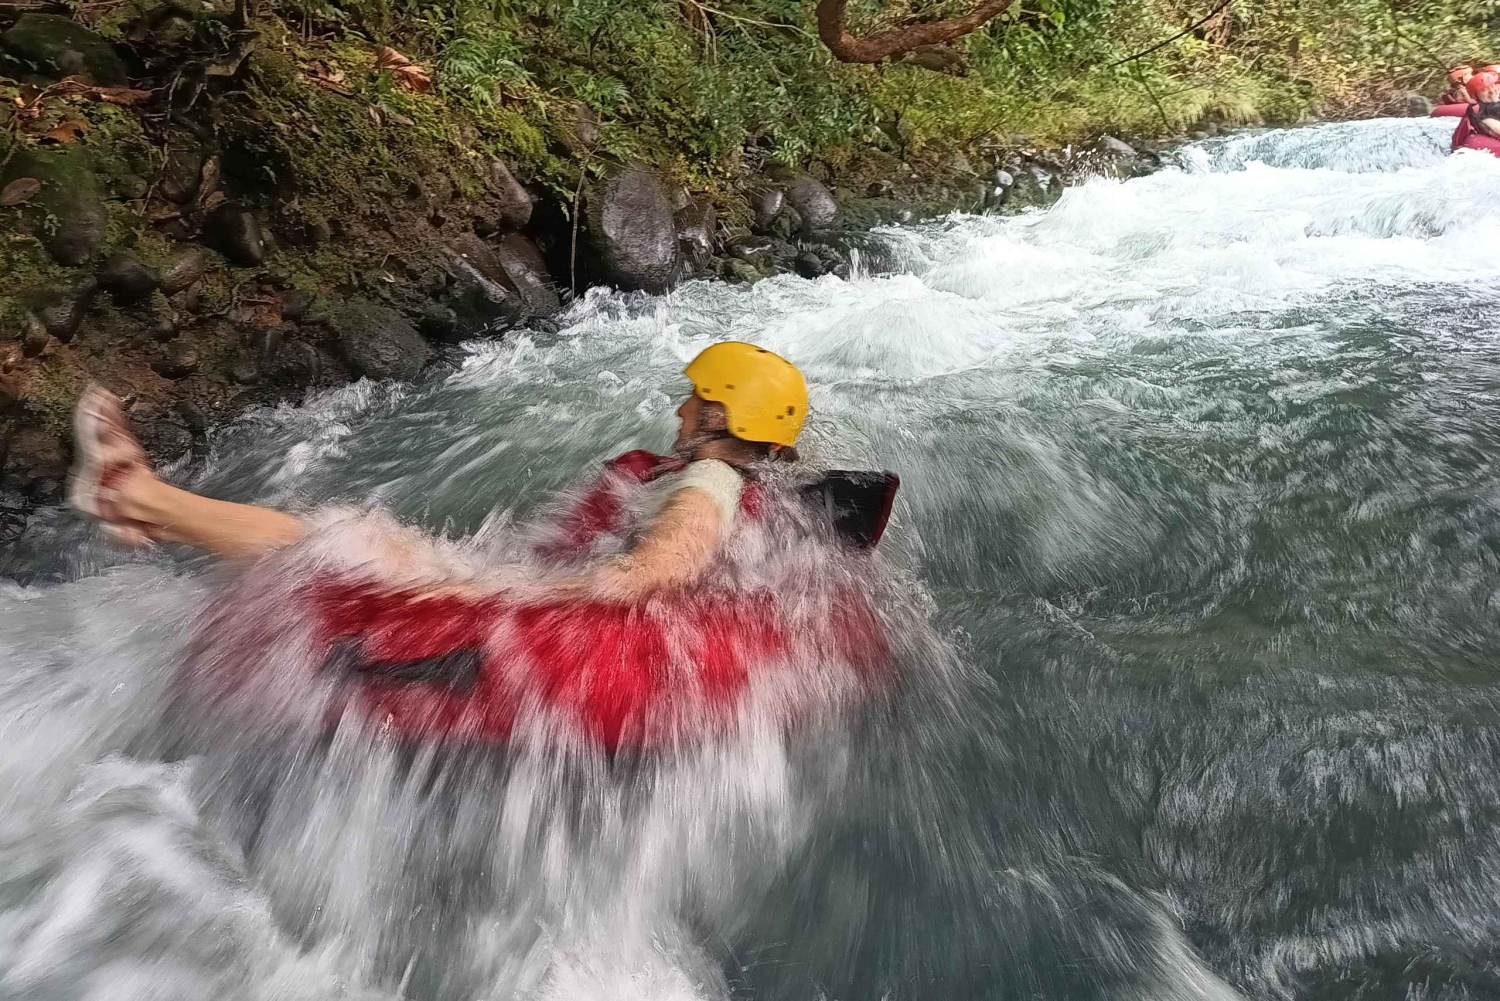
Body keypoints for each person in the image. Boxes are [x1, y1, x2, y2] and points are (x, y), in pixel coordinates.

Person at [68, 341, 808, 601]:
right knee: (354, 539)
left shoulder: (707, 485)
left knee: (337, 538)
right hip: (529, 581)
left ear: (719, 417)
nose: (681, 407)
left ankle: (132, 494)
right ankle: (146, 504)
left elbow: (659, 569)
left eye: (695, 398)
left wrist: (529, 597)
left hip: (535, 597)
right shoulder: (723, 478)